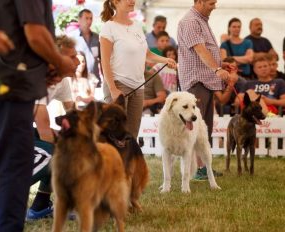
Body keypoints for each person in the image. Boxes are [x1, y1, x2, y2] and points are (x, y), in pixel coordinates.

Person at [0, 0, 76, 231]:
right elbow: (34, 33)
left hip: (11, 84)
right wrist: (59, 62)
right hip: (8, 87)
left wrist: (42, 69)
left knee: (15, 162)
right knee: (16, 165)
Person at [99, 0, 176, 139]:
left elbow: (146, 54)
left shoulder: (137, 26)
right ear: (116, 2)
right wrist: (113, 89)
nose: (132, 1)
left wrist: (165, 60)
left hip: (138, 87)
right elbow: (104, 62)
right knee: (115, 136)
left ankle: (129, 161)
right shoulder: (108, 27)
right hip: (118, 85)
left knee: (132, 136)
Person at [178, 0, 235, 180]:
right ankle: (196, 169)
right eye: (211, 3)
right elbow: (200, 50)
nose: (214, 6)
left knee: (204, 128)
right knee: (195, 127)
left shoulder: (201, 20)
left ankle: (202, 168)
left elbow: (205, 52)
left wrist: (219, 63)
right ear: (199, 1)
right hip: (197, 82)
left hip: (205, 81)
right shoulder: (190, 21)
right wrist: (217, 69)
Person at [69, 9, 101, 86]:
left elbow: (102, 60)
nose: (89, 21)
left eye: (91, 18)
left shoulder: (97, 37)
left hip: (95, 81)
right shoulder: (71, 37)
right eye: (86, 18)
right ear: (79, 20)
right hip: (78, 82)